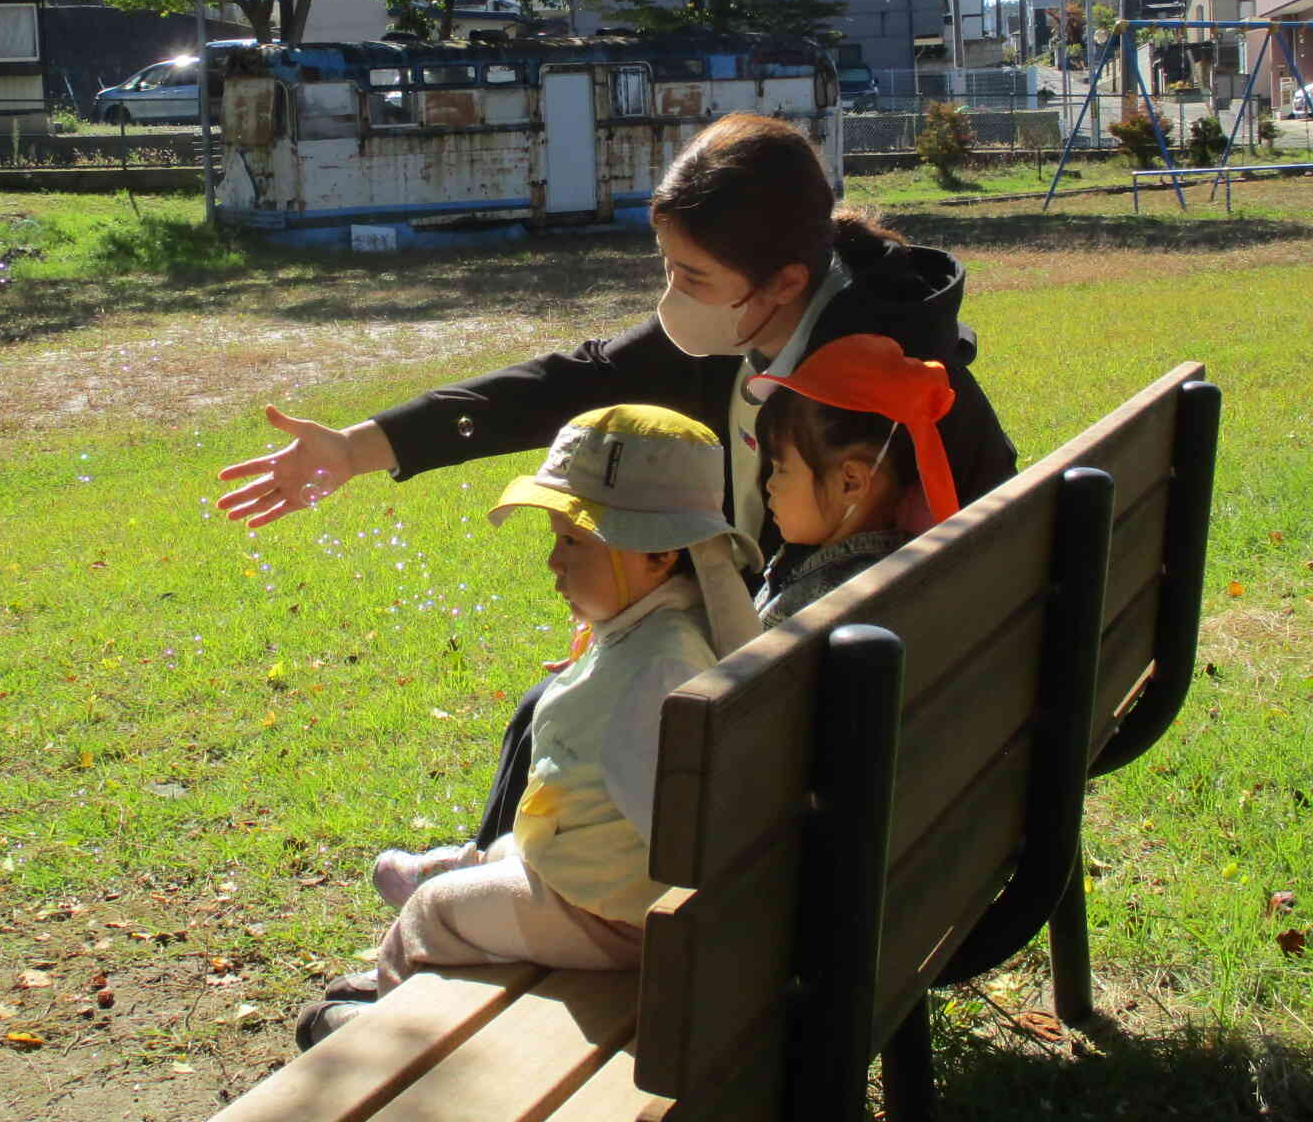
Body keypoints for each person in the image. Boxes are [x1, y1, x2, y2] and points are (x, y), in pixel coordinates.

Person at [218, 112, 1016, 858]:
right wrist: (362, 447)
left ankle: (501, 908)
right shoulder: (801, 316)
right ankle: (492, 886)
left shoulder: (867, 393)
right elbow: (575, 380)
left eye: (694, 277)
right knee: (570, 698)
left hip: (876, 732)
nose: (673, 299)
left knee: (572, 706)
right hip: (902, 685)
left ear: (781, 282)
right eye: (668, 266)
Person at [295, 404, 761, 1048]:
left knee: (434, 916)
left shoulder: (657, 676)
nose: (553, 562)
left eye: (574, 541)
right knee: (509, 852)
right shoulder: (667, 620)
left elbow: (675, 841)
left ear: (659, 555)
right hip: (599, 876)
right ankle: (465, 867)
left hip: (614, 915)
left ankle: (387, 1035)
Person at [749, 333, 963, 630]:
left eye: (781, 468)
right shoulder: (903, 565)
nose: (770, 485)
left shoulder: (816, 609)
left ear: (850, 483)